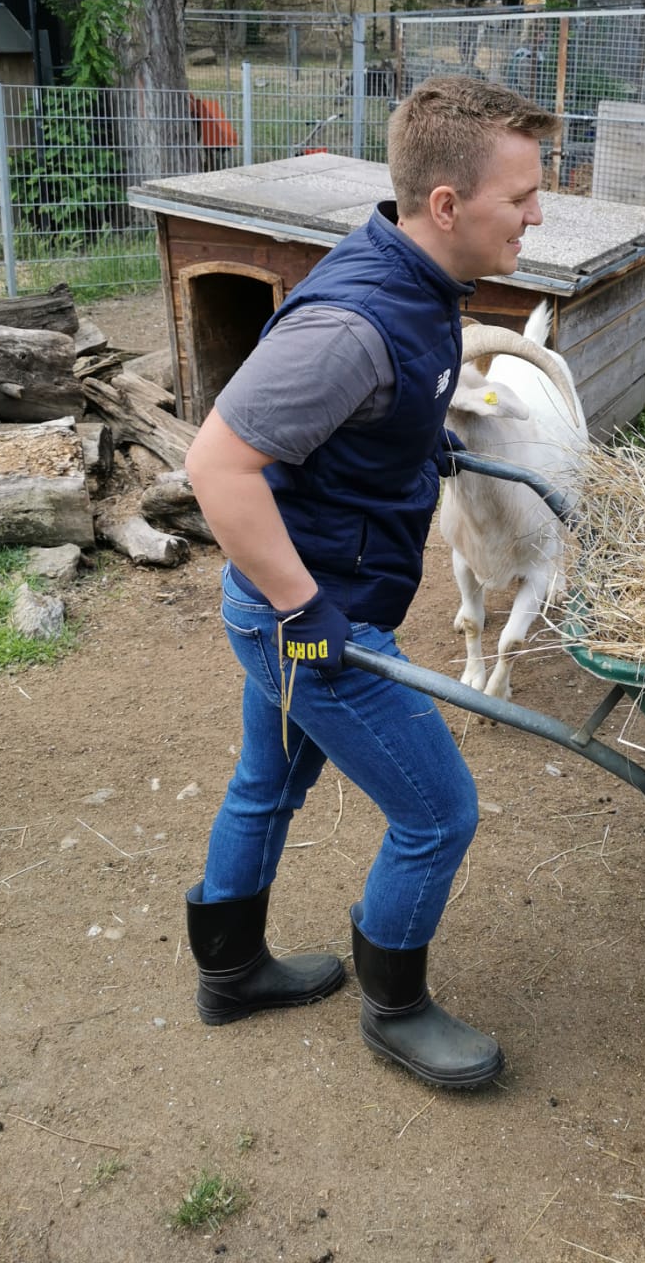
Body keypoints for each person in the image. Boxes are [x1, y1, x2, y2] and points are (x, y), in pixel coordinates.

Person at [182, 75, 558, 1090]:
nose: (538, 211)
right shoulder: (351, 325)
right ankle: (396, 1009)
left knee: (269, 781)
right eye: (520, 195)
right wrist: (304, 611)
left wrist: (416, 453)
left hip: (314, 600)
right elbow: (215, 469)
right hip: (312, 617)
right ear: (446, 205)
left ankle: (232, 972)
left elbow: (367, 422)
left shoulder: (422, 285)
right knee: (439, 812)